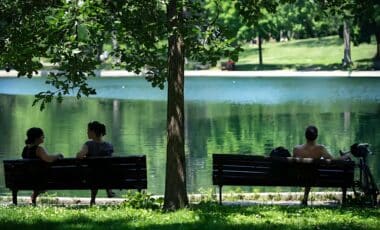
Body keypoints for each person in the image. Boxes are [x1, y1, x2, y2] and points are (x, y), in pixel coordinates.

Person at [292, 125, 333, 205]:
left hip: (298, 177)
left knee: (306, 171)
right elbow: (332, 160)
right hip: (314, 178)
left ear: (305, 136)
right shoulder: (320, 149)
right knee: (310, 172)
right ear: (316, 136)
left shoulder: (296, 149)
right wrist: (346, 156)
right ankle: (305, 198)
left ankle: (305, 198)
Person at [22, 127, 63, 205]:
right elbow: (48, 159)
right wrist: (58, 156)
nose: (44, 137)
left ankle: (33, 197)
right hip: (40, 178)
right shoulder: (38, 149)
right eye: (42, 135)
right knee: (46, 179)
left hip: (27, 178)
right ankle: (33, 197)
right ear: (37, 138)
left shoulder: (25, 149)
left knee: (38, 175)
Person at [76, 121, 115, 205]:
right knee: (103, 170)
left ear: (93, 132)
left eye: (88, 131)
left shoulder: (88, 145)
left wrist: (80, 154)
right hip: (107, 177)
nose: (87, 132)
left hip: (92, 177)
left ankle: (93, 199)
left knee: (94, 172)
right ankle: (109, 190)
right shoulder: (109, 145)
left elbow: (79, 155)